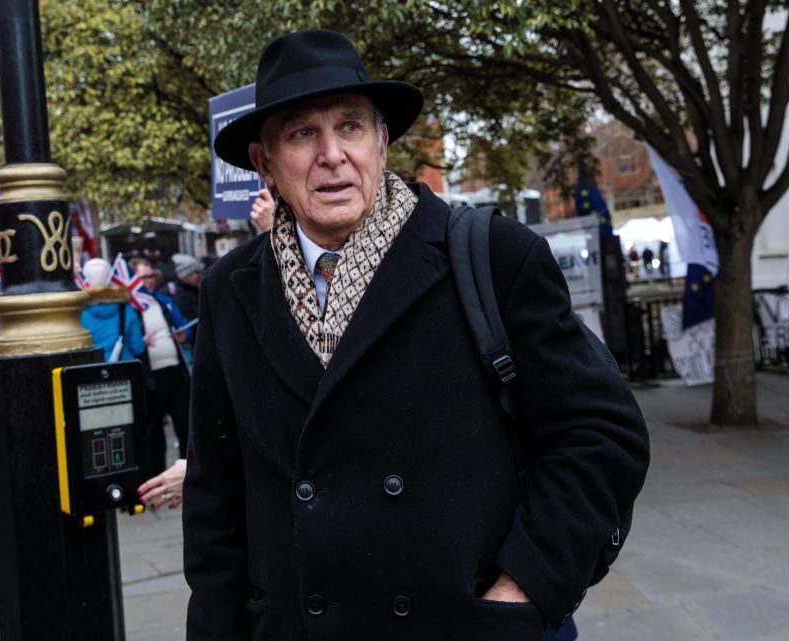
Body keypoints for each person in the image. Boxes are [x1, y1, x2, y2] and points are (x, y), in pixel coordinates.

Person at [183, 29, 649, 641]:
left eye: (350, 127)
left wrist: (522, 590)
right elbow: (217, 499)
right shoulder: (230, 288)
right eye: (302, 133)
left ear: (381, 141)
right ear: (265, 162)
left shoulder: (493, 256)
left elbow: (601, 437)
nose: (331, 154)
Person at [132, 258, 192, 475]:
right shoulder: (131, 306)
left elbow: (182, 325)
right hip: (150, 377)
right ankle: (156, 476)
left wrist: (184, 333)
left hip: (175, 371)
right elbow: (130, 339)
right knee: (153, 432)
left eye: (150, 276)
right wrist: (140, 340)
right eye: (142, 277)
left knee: (186, 426)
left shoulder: (163, 299)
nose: (148, 281)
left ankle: (188, 474)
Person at [79, 257, 145, 362]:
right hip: (124, 368)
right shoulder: (127, 310)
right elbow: (138, 348)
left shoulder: (80, 314)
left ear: (87, 279)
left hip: (94, 369)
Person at [170, 253, 205, 339]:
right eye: (197, 272)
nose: (201, 276)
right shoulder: (179, 295)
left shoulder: (195, 289)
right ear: (187, 275)